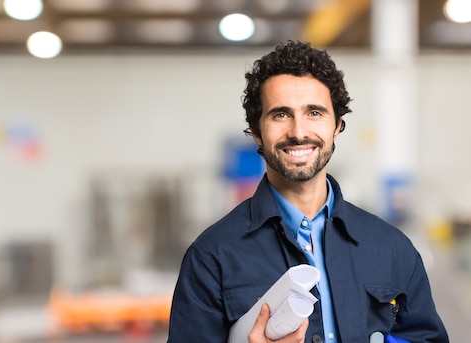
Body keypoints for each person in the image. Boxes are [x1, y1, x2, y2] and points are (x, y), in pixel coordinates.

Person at [167, 40, 448, 343]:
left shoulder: (393, 248)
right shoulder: (211, 257)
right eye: (281, 114)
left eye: (314, 112)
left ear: (337, 125)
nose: (298, 132)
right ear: (256, 130)